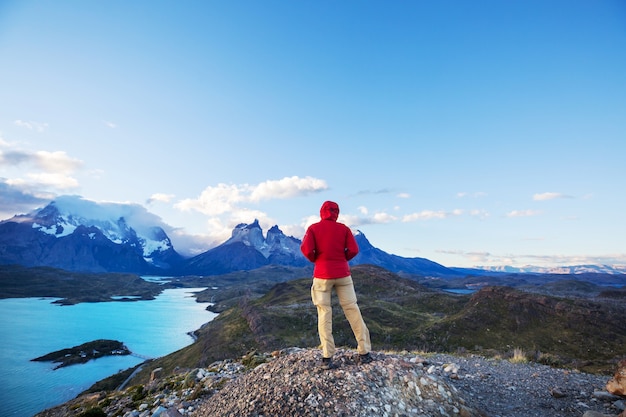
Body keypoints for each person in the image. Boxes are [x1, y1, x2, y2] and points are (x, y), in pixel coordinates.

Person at [300, 200, 372, 369]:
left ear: (321, 211)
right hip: (343, 274)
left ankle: (327, 356)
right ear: (336, 213)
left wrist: (318, 260)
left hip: (322, 275)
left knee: (324, 312)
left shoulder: (313, 229)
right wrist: (341, 260)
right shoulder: (344, 229)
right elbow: (353, 250)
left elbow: (307, 250)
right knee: (352, 309)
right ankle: (364, 351)